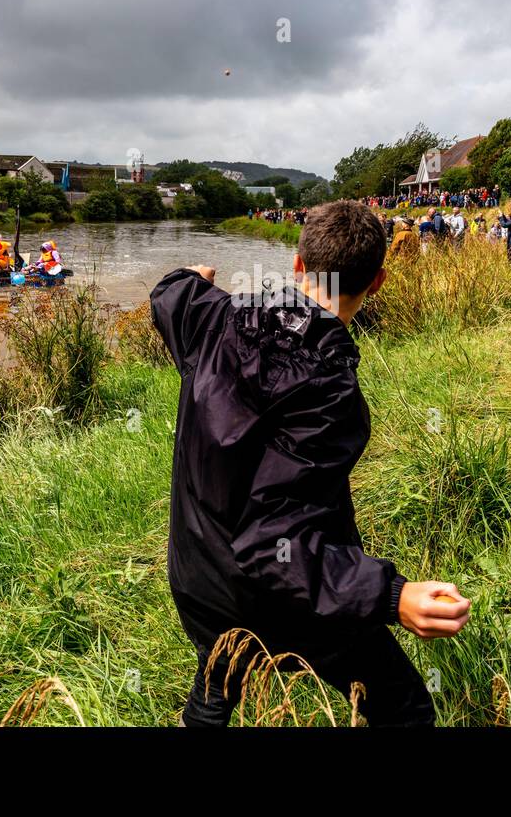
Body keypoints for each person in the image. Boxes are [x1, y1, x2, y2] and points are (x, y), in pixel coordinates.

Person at [149, 200, 470, 727]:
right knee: (405, 706)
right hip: (276, 595)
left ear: (298, 265)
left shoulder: (214, 317)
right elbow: (270, 545)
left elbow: (170, 295)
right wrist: (392, 596)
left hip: (198, 577)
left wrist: (191, 275)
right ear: (379, 282)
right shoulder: (330, 392)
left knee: (219, 672)